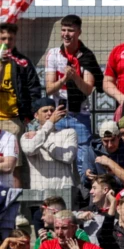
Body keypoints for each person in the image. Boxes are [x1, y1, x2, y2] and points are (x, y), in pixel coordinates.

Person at [45, 14, 102, 183]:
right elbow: (49, 88)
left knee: (84, 163)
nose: (66, 34)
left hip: (80, 115)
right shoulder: (54, 54)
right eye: (63, 30)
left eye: (70, 30)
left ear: (79, 32)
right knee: (59, 160)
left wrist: (76, 77)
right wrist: (63, 79)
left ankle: (86, 198)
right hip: (59, 114)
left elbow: (88, 89)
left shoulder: (86, 55)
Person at [20, 97, 79, 190]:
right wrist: (50, 123)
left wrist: (43, 141)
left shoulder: (69, 132)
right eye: (45, 111)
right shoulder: (27, 136)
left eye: (52, 110)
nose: (49, 113)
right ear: (36, 115)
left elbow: (68, 157)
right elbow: (29, 149)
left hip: (64, 190)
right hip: (40, 192)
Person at [0, 22, 41, 139]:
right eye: (3, 38)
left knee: (13, 157)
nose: (7, 42)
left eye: (10, 39)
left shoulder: (22, 62)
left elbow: (34, 89)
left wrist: (28, 116)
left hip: (13, 121)